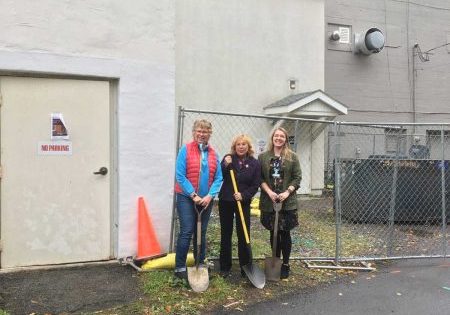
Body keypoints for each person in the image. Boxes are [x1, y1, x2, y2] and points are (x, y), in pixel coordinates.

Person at [174, 119, 223, 280]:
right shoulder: (185, 150)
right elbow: (180, 176)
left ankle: (200, 263)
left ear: (210, 134)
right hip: (186, 198)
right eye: (199, 131)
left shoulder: (214, 154)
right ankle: (180, 267)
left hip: (206, 200)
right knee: (187, 231)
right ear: (194, 132)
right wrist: (193, 195)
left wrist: (210, 196)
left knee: (201, 231)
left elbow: (219, 178)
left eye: (205, 131)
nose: (202, 134)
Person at [258, 127, 302, 279]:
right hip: (269, 201)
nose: (278, 138)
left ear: (285, 139)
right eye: (276, 136)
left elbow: (297, 178)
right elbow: (260, 178)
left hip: (287, 202)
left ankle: (286, 264)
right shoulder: (263, 157)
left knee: (285, 233)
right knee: (273, 232)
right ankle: (275, 261)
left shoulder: (292, 157)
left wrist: (287, 192)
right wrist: (269, 192)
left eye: (282, 136)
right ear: (272, 138)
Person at [218, 135, 261, 278]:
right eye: (238, 144)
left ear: (248, 147)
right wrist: (225, 164)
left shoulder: (255, 163)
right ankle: (225, 266)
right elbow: (221, 176)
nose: (241, 146)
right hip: (226, 200)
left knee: (243, 233)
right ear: (234, 147)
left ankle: (246, 266)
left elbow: (255, 185)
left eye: (244, 144)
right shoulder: (229, 159)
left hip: (243, 202)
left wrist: (243, 195)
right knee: (226, 233)